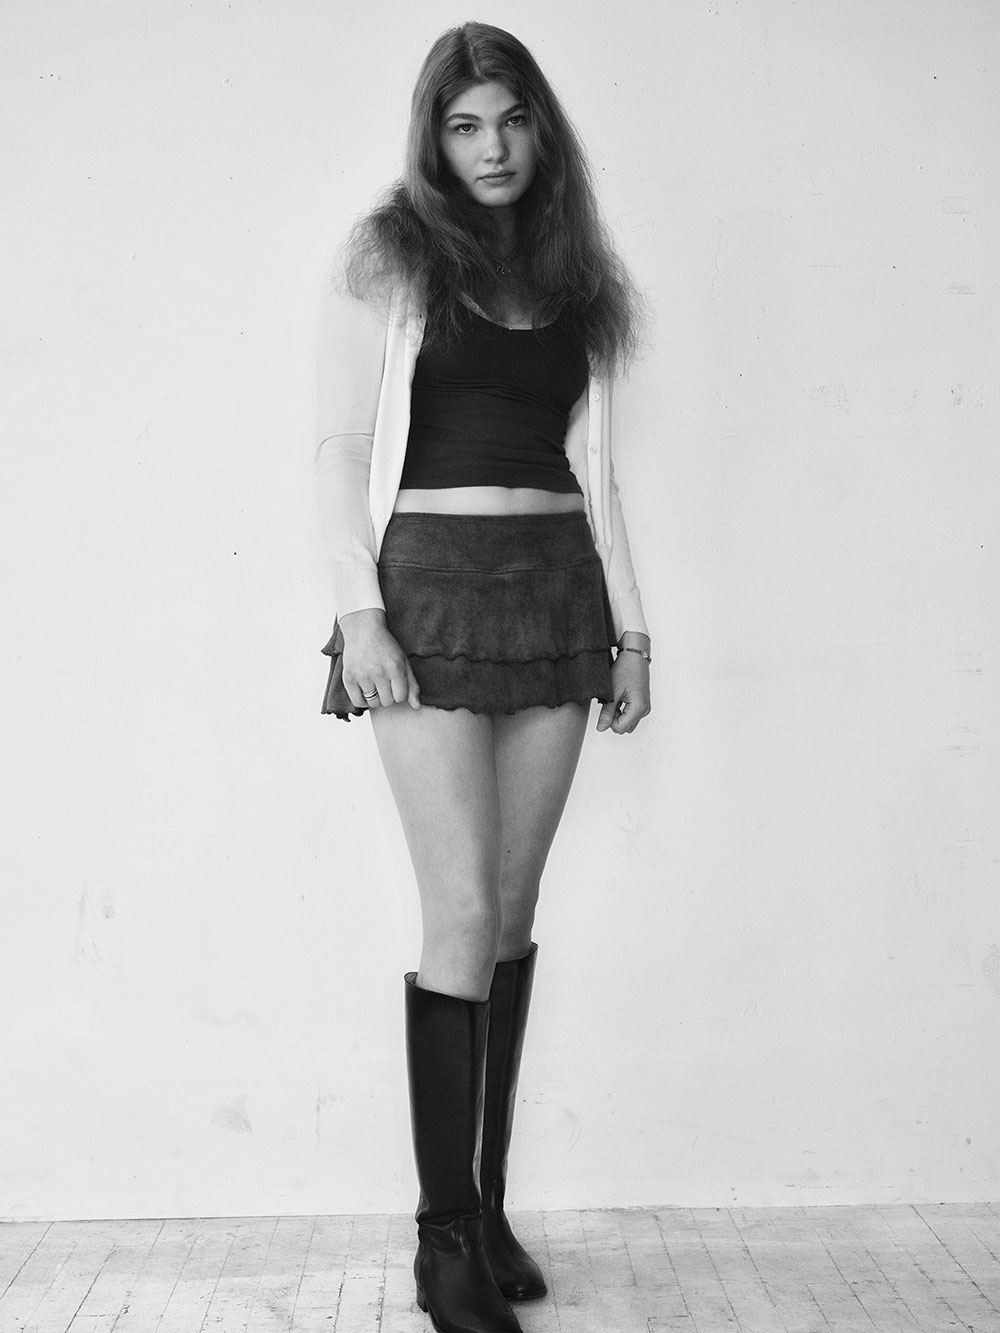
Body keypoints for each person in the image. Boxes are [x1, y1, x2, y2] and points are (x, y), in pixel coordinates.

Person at [315, 22, 650, 1333]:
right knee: (457, 910)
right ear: (433, 138)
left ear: (540, 131)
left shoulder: (578, 277)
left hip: (559, 592)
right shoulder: (388, 257)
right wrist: (360, 614)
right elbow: (341, 448)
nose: (492, 146)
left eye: (511, 120)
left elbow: (600, 474)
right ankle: (440, 1242)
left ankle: (488, 1205)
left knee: (510, 916)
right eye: (465, 125)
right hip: (432, 594)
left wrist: (632, 633)